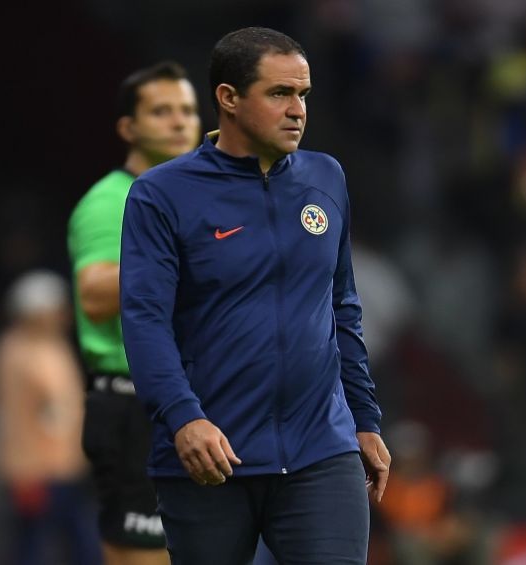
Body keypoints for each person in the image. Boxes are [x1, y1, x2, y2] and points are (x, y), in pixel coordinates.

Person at [119, 27, 391, 565]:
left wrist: (364, 418)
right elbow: (145, 320)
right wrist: (183, 418)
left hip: (321, 450)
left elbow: (342, 306)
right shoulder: (162, 194)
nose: (297, 111)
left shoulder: (326, 177)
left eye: (303, 95)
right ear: (228, 98)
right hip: (211, 454)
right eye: (279, 93)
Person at [67, 61, 200, 565]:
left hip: (188, 401)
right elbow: (95, 295)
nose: (179, 121)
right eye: (161, 111)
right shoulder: (111, 200)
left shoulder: (191, 196)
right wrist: (185, 253)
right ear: (129, 128)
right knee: (145, 557)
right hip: (135, 406)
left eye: (187, 110)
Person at [0, 270, 102, 565]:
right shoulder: (25, 352)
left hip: (59, 467)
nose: (63, 316)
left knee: (63, 542)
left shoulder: (36, 346)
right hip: (38, 470)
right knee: (39, 546)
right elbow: (55, 410)